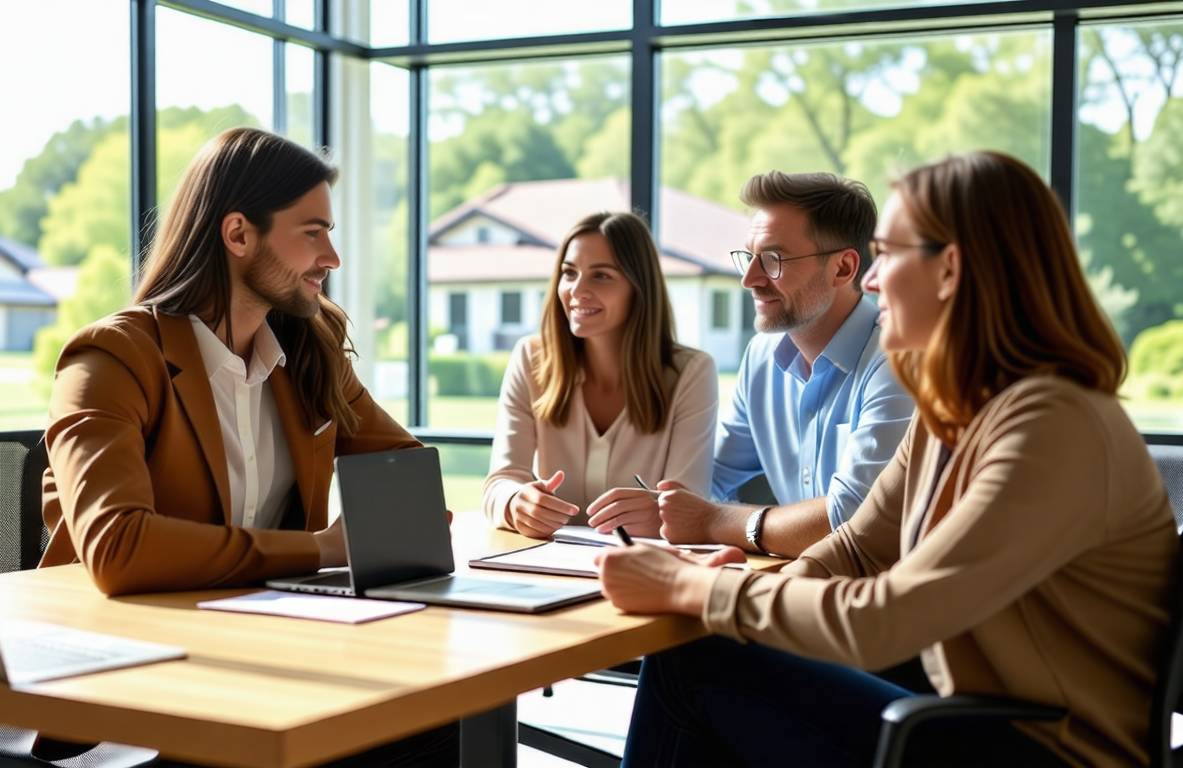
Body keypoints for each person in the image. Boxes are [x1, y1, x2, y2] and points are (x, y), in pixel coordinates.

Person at [597, 150, 1178, 767]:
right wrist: (736, 595)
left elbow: (891, 615)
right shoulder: (956, 409)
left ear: (950, 270)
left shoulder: (1053, 422)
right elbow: (857, 547)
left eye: (889, 255)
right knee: (714, 657)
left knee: (697, 664)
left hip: (1040, 751)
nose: (870, 281)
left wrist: (700, 589)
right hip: (961, 710)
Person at [39, 128, 457, 766]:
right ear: (239, 234)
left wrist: (408, 522)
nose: (332, 258)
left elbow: (408, 480)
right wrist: (320, 550)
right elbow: (118, 548)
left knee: (444, 719)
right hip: (133, 683)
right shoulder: (112, 358)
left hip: (261, 654)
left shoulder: (309, 353)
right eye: (313, 232)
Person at [656, 171, 914, 558]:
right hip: (801, 583)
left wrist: (711, 521)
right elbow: (710, 478)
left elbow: (856, 520)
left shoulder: (896, 360)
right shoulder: (761, 356)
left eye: (773, 259)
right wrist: (660, 503)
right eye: (750, 257)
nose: (749, 279)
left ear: (843, 269)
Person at [482, 211, 719, 539]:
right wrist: (515, 503)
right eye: (569, 273)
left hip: (645, 570)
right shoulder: (530, 358)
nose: (577, 290)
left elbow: (687, 504)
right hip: (548, 567)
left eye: (601, 276)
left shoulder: (691, 374)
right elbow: (500, 482)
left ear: (638, 288)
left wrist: (663, 514)